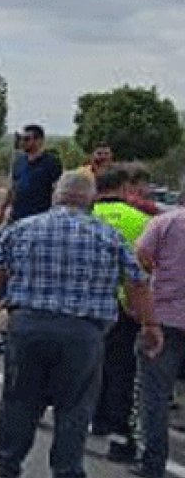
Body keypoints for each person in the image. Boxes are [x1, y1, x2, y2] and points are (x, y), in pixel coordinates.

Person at [0, 172, 163, 478]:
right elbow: (136, 282)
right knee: (75, 407)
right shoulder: (108, 235)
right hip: (83, 333)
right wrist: (150, 323)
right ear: (91, 198)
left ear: (55, 194)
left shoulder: (24, 228)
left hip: (29, 326)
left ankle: (7, 466)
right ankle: (66, 475)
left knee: (20, 400)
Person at [89, 169, 152, 462]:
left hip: (83, 302)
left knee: (82, 363)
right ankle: (117, 433)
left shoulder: (85, 216)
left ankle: (89, 416)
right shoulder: (139, 220)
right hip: (121, 305)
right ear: (125, 187)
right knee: (120, 369)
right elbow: (143, 268)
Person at [132, 182, 185, 478]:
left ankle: (152, 461)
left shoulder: (165, 222)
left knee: (154, 393)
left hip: (164, 316)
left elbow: (141, 254)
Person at [0, 124, 63, 224]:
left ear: (39, 141)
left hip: (39, 218)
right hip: (17, 217)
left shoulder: (51, 163)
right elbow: (13, 188)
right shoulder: (19, 161)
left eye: (27, 139)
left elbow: (57, 190)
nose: (22, 142)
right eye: (21, 139)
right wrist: (3, 208)